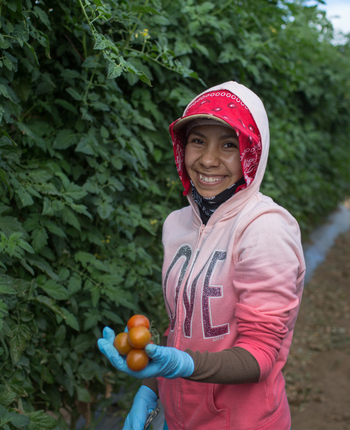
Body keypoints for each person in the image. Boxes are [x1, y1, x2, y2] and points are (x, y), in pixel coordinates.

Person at [98, 81, 305, 430]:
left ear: (251, 152)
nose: (208, 160)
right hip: (182, 419)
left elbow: (261, 355)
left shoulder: (265, 229)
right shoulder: (177, 225)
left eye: (229, 144)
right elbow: (180, 326)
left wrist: (179, 364)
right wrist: (151, 388)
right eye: (198, 141)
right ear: (182, 148)